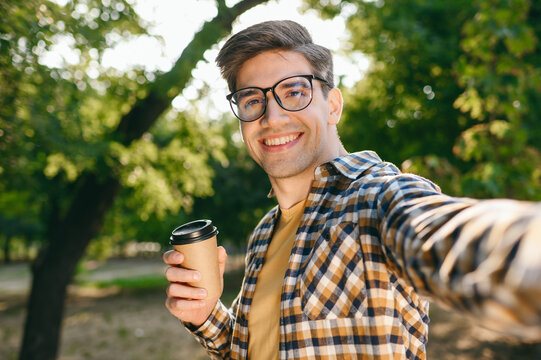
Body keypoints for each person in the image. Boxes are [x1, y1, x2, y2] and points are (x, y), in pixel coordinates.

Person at [163, 20, 541, 359]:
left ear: (333, 105)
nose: (272, 116)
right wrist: (207, 317)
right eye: (252, 100)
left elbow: (453, 237)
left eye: (294, 92)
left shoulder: (378, 197)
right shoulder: (264, 234)